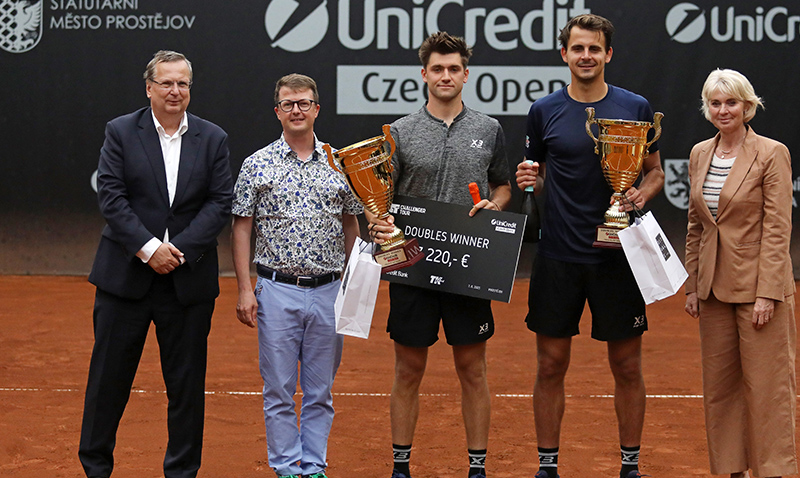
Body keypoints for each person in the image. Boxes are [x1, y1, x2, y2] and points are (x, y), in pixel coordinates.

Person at [515, 14, 664, 478]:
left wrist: (641, 193)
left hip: (619, 257)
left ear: (608, 54)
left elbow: (655, 171)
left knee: (626, 364)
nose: (586, 56)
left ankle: (630, 466)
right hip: (558, 256)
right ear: (564, 54)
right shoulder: (543, 111)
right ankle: (547, 467)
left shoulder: (635, 106)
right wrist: (528, 180)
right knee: (550, 364)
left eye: (594, 48)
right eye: (577, 48)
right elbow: (537, 177)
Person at [79, 50, 233, 478]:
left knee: (186, 388)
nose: (175, 91)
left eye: (182, 83)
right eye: (166, 83)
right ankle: (95, 469)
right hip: (125, 279)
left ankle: (181, 472)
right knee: (107, 383)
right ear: (149, 88)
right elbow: (111, 196)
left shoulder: (213, 137)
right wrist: (149, 249)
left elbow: (220, 203)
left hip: (187, 282)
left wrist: (176, 249)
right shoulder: (120, 131)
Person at [368, 31, 511, 478]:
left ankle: (477, 469)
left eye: (453, 69)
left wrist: (495, 206)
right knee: (409, 368)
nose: (445, 76)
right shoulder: (400, 132)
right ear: (424, 74)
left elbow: (503, 186)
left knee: (472, 368)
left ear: (466, 75)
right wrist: (380, 222)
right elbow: (380, 197)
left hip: (469, 267)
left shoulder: (488, 129)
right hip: (412, 266)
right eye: (437, 69)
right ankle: (401, 468)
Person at [231, 74, 362, 478]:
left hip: (328, 291)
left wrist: (352, 286)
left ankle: (315, 466)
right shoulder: (257, 164)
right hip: (276, 290)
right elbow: (241, 228)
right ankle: (288, 468)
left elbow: (351, 224)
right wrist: (245, 289)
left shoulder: (339, 163)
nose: (296, 110)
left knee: (320, 391)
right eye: (288, 104)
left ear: (316, 109)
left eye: (304, 103)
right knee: (279, 390)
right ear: (277, 111)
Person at [684, 69, 797, 478]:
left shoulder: (771, 153)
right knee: (721, 389)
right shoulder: (699, 154)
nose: (723, 110)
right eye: (715, 103)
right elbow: (696, 225)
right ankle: (733, 470)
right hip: (712, 289)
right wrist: (693, 285)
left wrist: (768, 292)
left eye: (731, 102)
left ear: (748, 106)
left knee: (768, 388)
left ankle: (773, 471)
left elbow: (778, 228)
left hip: (758, 290)